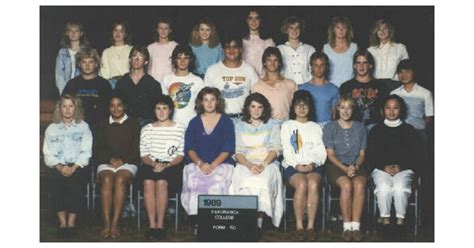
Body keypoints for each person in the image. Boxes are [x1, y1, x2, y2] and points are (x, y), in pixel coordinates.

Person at [367, 95, 423, 241]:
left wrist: (401, 167)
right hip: (381, 169)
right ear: (382, 110)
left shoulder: (409, 130)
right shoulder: (376, 130)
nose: (391, 111)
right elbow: (371, 154)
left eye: (395, 108)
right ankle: (385, 222)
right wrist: (383, 166)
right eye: (388, 107)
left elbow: (416, 155)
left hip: (404, 169)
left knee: (399, 187)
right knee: (384, 188)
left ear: (401, 110)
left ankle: (400, 222)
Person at [181, 87, 235, 233]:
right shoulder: (194, 122)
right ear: (201, 102)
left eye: (212, 100)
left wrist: (213, 165)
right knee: (195, 179)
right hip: (197, 163)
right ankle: (198, 222)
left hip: (221, 163)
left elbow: (228, 148)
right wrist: (200, 163)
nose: (209, 103)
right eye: (206, 100)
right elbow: (189, 148)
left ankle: (215, 223)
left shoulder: (226, 122)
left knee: (216, 181)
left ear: (218, 102)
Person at [229, 93, 283, 232]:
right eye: (253, 106)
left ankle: (258, 222)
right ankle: (246, 221)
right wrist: (249, 165)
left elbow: (276, 148)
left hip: (267, 163)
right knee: (244, 179)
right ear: (248, 108)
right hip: (245, 163)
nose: (256, 110)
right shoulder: (239, 125)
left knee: (262, 180)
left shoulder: (272, 124)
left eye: (260, 107)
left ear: (264, 109)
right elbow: (238, 151)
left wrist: (263, 165)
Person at [42, 94, 93, 239]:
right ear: (59, 108)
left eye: (71, 106)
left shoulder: (84, 127)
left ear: (76, 108)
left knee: (75, 186)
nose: (68, 109)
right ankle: (62, 224)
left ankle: (71, 224)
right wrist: (60, 167)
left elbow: (86, 151)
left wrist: (74, 167)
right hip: (57, 167)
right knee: (56, 186)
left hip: (77, 166)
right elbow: (48, 154)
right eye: (64, 106)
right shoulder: (51, 129)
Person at [280, 90, 327, 241]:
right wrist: (297, 165)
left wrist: (314, 163)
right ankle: (300, 226)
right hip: (293, 165)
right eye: (298, 105)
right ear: (293, 107)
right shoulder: (287, 126)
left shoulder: (316, 127)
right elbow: (287, 150)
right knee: (301, 184)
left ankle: (311, 226)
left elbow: (321, 151)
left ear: (310, 108)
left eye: (305, 105)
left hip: (314, 164)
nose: (301, 108)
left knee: (312, 183)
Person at [93, 94, 140, 239]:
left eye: (119, 105)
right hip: (106, 162)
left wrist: (123, 160)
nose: (116, 108)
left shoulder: (133, 123)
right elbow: (97, 148)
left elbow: (137, 148)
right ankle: (106, 224)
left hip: (128, 162)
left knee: (119, 179)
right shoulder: (101, 124)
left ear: (125, 106)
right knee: (107, 179)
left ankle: (115, 224)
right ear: (108, 107)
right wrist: (109, 159)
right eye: (112, 105)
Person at [140, 95, 185, 240]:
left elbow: (180, 155)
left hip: (172, 165)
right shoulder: (147, 129)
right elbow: (144, 155)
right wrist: (154, 164)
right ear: (154, 111)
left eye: (164, 108)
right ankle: (151, 225)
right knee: (148, 182)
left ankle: (160, 226)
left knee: (161, 183)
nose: (161, 112)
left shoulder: (179, 129)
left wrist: (167, 165)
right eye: (158, 108)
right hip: (151, 164)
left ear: (170, 110)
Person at [322, 96, 368, 242]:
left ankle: (356, 227)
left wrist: (356, 166)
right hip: (336, 165)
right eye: (342, 107)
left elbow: (362, 154)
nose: (345, 111)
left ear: (353, 110)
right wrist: (344, 168)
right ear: (338, 109)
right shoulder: (330, 127)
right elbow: (330, 155)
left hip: (356, 165)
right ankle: (347, 227)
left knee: (359, 184)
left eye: (349, 107)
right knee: (347, 185)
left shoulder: (360, 127)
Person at [204, 35, 259, 118]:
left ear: (241, 49)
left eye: (235, 47)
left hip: (243, 119)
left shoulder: (250, 70)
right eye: (228, 47)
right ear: (223, 50)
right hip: (220, 119)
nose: (231, 50)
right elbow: (206, 99)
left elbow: (257, 97)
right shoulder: (212, 70)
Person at [63, 48, 113, 128]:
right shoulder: (72, 84)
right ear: (79, 64)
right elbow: (64, 106)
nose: (87, 65)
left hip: (99, 127)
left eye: (91, 62)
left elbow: (109, 110)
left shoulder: (104, 85)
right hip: (76, 126)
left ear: (96, 64)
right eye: (84, 62)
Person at [339, 50, 389, 129]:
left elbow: (387, 110)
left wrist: (376, 98)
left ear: (370, 65)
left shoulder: (380, 85)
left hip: (375, 128)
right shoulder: (346, 86)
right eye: (358, 63)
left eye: (365, 63)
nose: (361, 66)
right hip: (353, 128)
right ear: (354, 65)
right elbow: (342, 112)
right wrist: (351, 97)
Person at [115, 46, 163, 127]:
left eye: (141, 56)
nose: (137, 59)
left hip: (147, 124)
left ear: (146, 61)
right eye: (134, 56)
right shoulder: (122, 83)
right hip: (126, 124)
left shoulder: (153, 84)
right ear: (130, 59)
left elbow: (157, 109)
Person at [161, 44, 205, 126]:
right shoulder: (166, 79)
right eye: (179, 58)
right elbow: (163, 106)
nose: (182, 61)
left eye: (186, 58)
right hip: (171, 126)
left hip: (191, 126)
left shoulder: (197, 81)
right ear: (174, 60)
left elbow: (202, 107)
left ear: (191, 60)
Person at [390, 59, 434, 142]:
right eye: (401, 72)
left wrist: (419, 127)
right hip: (398, 133)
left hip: (418, 133)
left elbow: (429, 117)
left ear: (414, 73)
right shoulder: (394, 93)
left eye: (407, 71)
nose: (404, 75)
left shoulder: (425, 93)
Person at [251, 47, 297, 123]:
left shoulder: (290, 84)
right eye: (269, 60)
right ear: (264, 62)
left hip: (286, 124)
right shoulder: (257, 86)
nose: (272, 63)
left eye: (275, 60)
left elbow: (296, 108)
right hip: (265, 126)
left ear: (279, 63)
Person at [299, 51, 339, 127]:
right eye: (315, 65)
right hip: (307, 126)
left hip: (326, 127)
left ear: (326, 67)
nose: (318, 68)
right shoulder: (303, 88)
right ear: (311, 66)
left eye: (322, 65)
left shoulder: (334, 89)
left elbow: (334, 117)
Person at [277, 16, 316, 85]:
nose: (294, 31)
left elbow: (313, 71)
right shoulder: (279, 49)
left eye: (297, 28)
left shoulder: (310, 49)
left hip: (306, 86)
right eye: (291, 28)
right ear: (286, 30)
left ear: (301, 30)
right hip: (286, 87)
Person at [322, 16, 358, 88]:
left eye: (344, 28)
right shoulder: (326, 48)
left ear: (348, 30)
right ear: (333, 30)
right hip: (331, 87)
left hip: (350, 86)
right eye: (338, 27)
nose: (341, 30)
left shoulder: (354, 47)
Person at [55, 21, 90, 95]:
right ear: (67, 33)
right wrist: (64, 93)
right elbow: (59, 75)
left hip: (83, 90)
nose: (73, 33)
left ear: (81, 33)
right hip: (67, 90)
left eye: (76, 30)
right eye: (71, 30)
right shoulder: (62, 53)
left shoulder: (87, 51)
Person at [99, 20, 133, 89]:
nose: (118, 33)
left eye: (121, 31)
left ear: (125, 34)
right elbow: (104, 74)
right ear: (112, 32)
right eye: (115, 30)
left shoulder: (132, 50)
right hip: (112, 86)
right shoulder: (106, 52)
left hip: (129, 85)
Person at [242, 8, 275, 77]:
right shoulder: (241, 40)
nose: (254, 21)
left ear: (260, 20)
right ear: (246, 20)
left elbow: (273, 62)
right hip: (246, 78)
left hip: (264, 79)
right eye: (250, 18)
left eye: (257, 18)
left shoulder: (268, 41)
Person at [147, 17, 179, 83]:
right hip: (153, 83)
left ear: (170, 30)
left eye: (166, 28)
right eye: (161, 28)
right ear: (157, 30)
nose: (163, 31)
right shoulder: (150, 48)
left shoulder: (176, 46)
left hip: (171, 83)